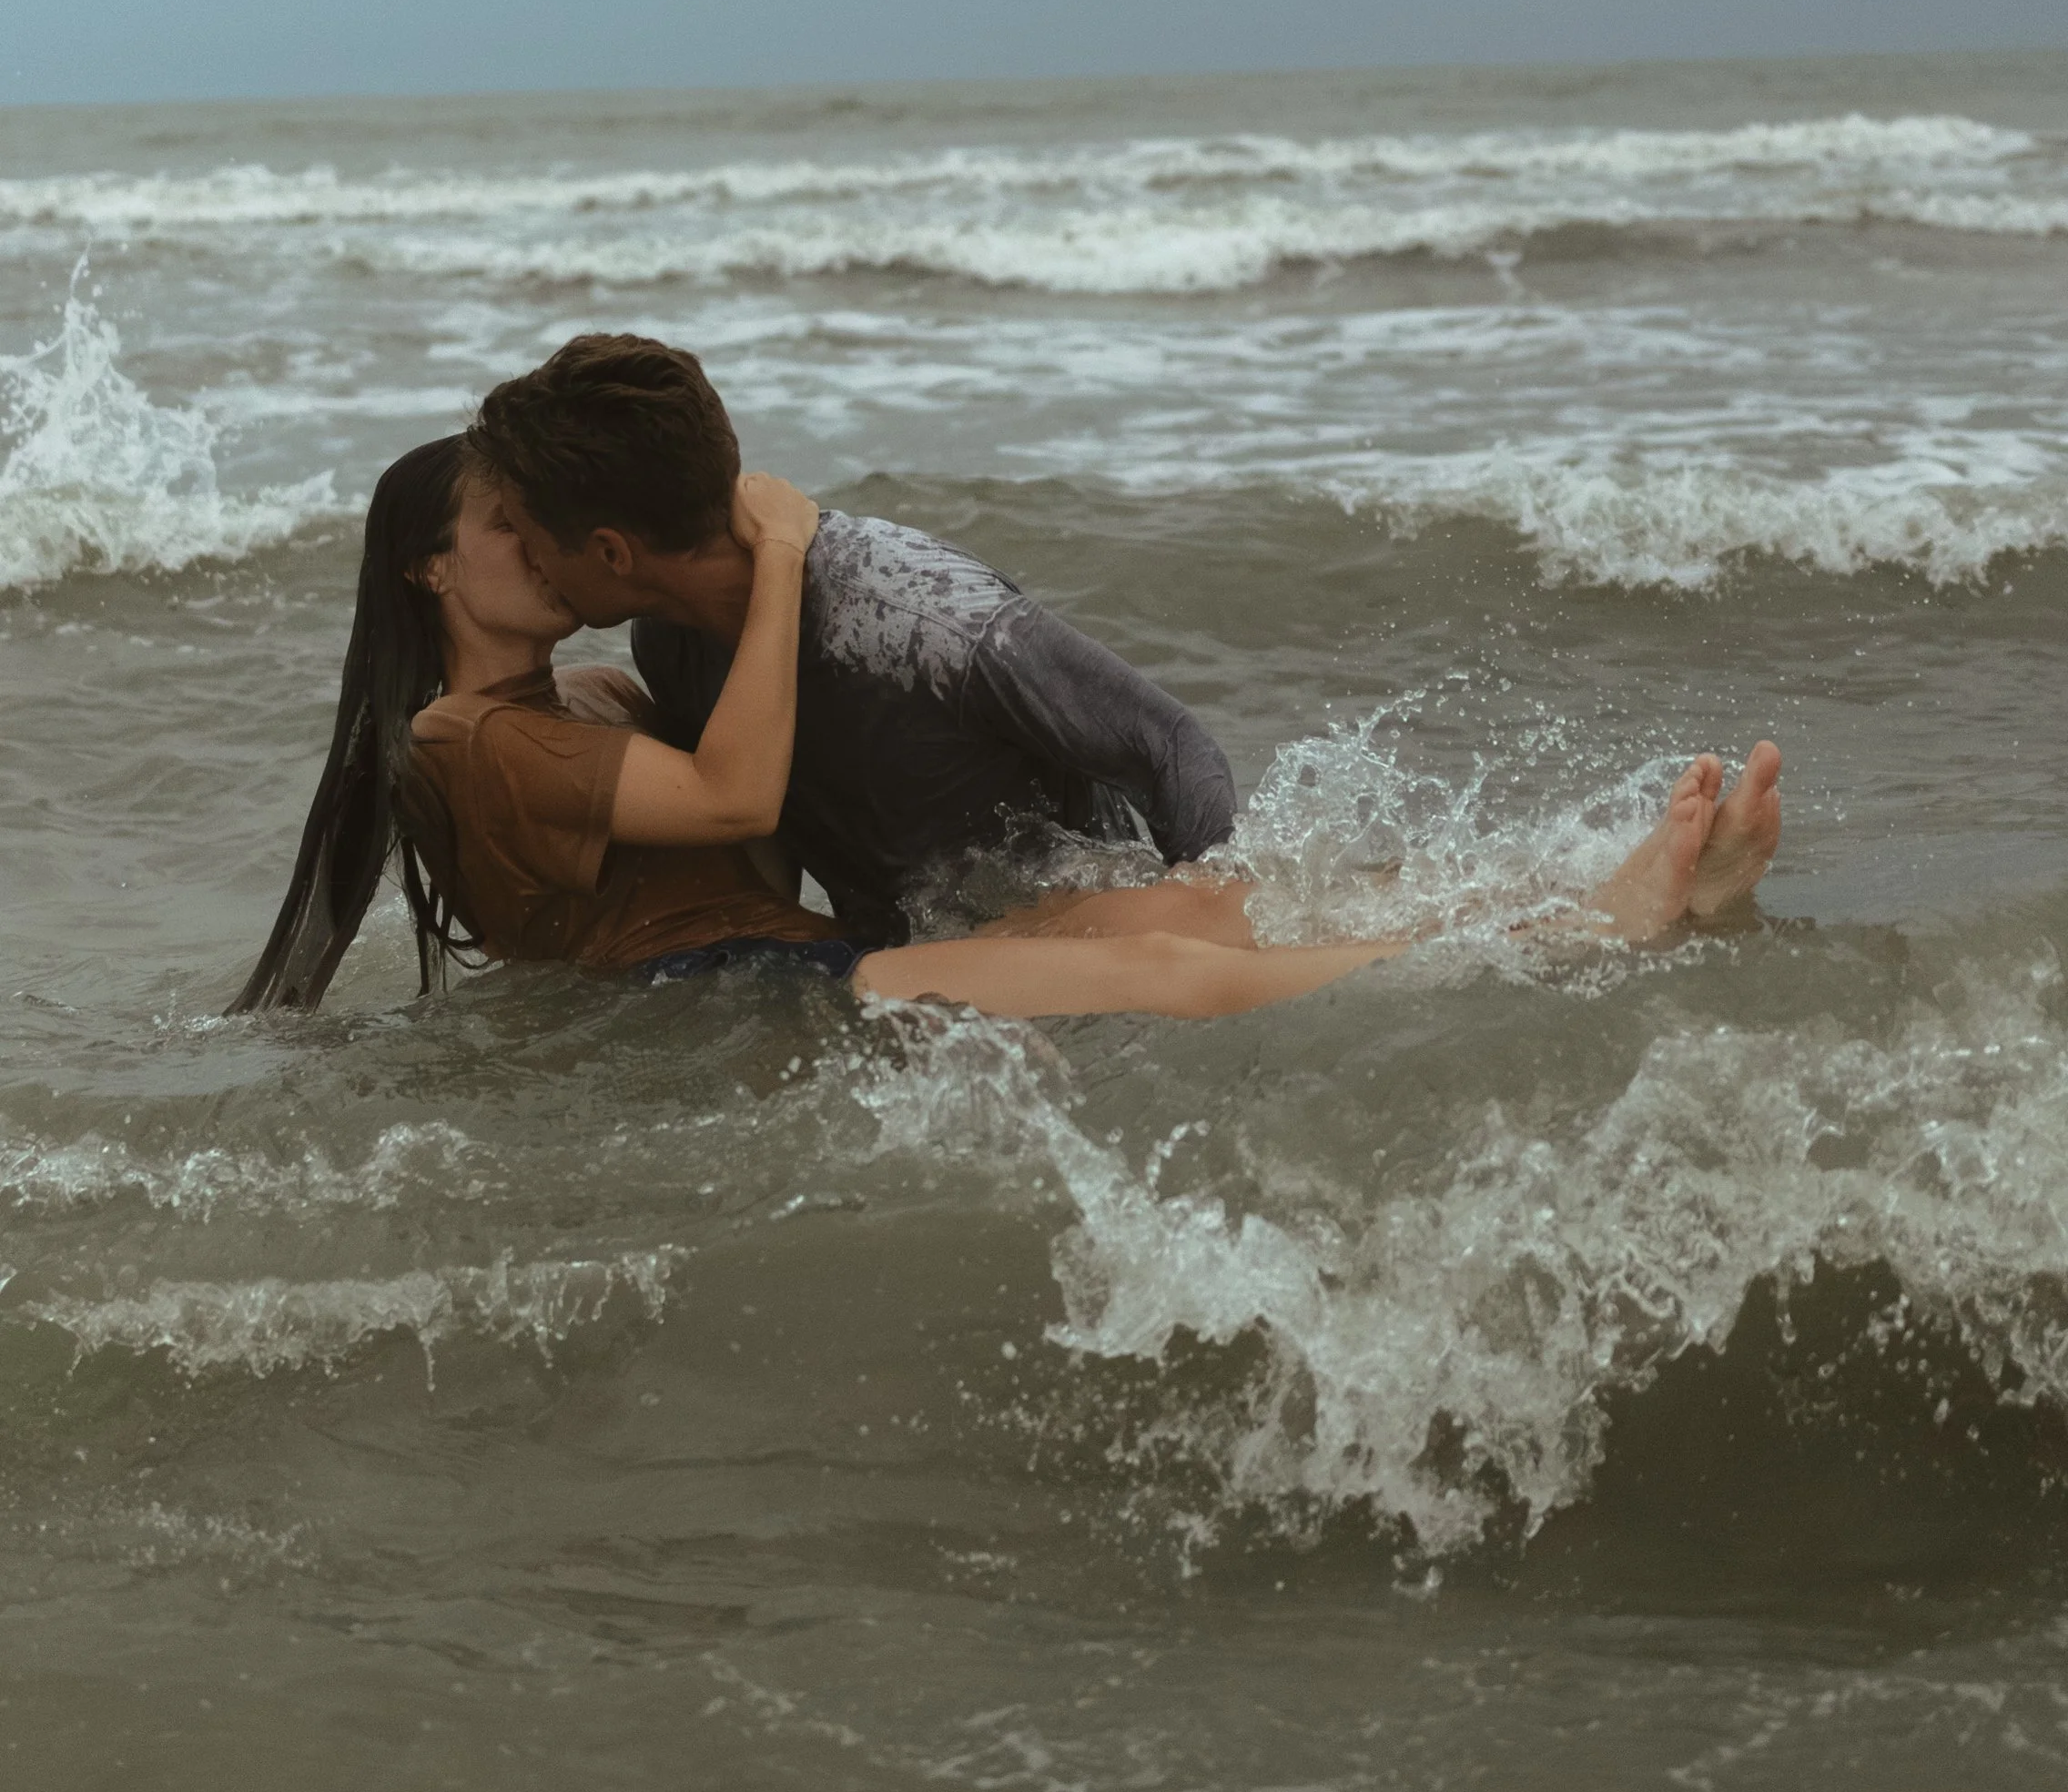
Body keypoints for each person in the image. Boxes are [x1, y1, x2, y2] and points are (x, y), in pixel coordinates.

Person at [231, 437, 1783, 1023]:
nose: (546, 541)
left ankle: (1610, 892)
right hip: (734, 1000)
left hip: (799, 965)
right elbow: (738, 803)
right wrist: (782, 557)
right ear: (431, 568)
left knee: (1195, 909)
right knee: (1171, 968)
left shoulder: (597, 697)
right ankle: (1604, 933)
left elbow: (762, 849)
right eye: (508, 526)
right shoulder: (463, 739)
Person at [466, 333, 1239, 946]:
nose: (528, 561)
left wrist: (1217, 929)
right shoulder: (667, 645)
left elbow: (1169, 744)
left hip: (1094, 959)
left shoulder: (920, 618)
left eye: (528, 536)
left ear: (611, 552)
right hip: (920, 985)